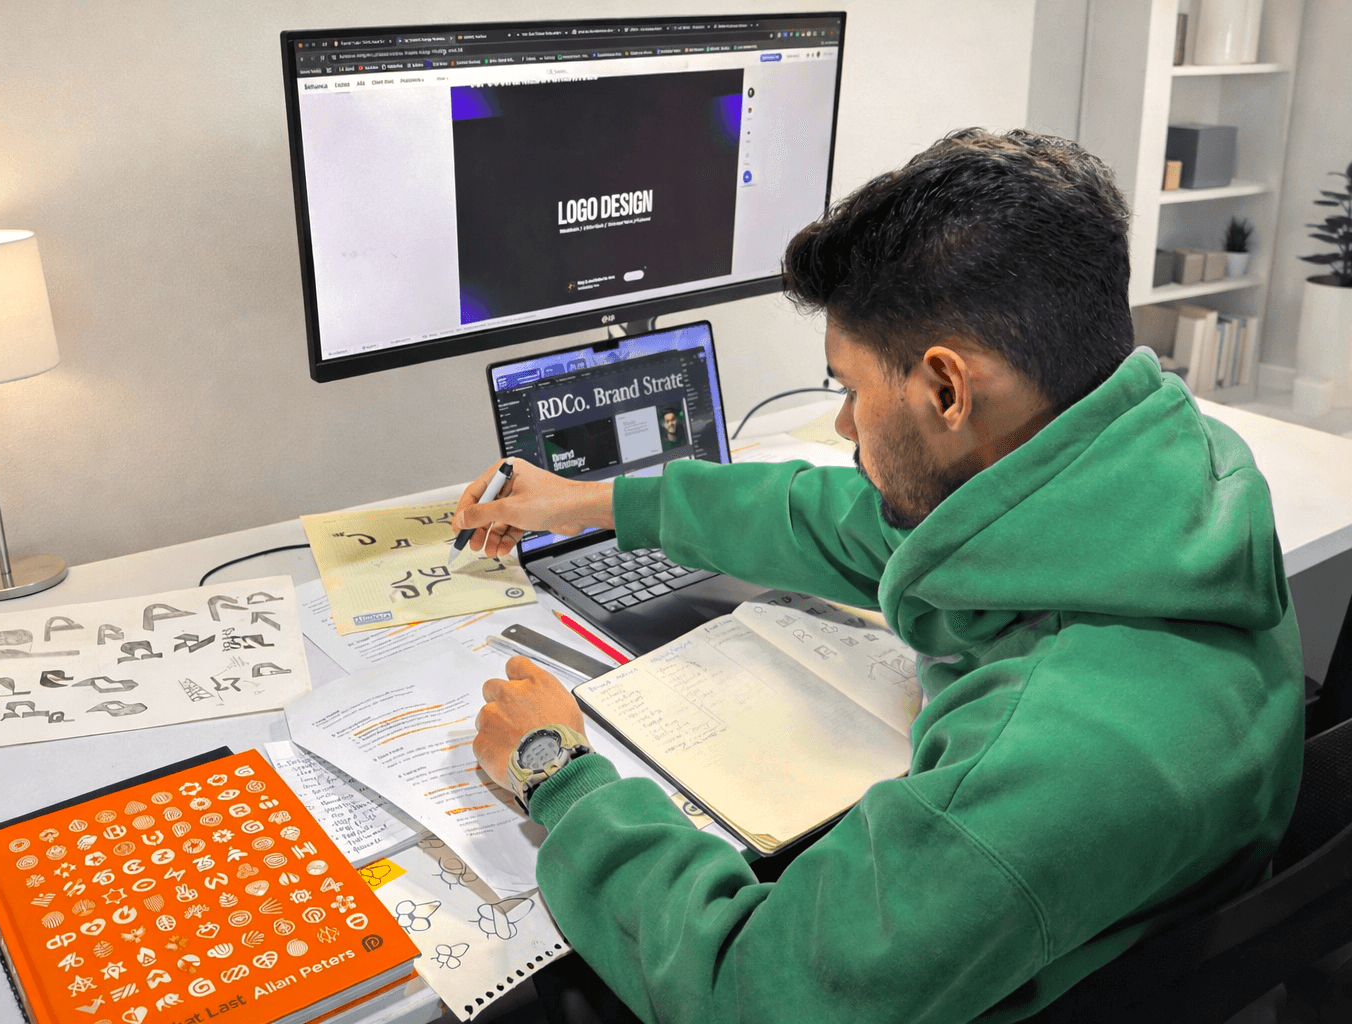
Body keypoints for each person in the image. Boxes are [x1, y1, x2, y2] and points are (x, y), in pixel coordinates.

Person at [450, 129, 1304, 1023]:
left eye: (851, 388)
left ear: (946, 389)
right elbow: (868, 526)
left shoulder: (1041, 758)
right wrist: (599, 505)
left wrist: (561, 776)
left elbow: (746, 994)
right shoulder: (1168, 479)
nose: (844, 427)